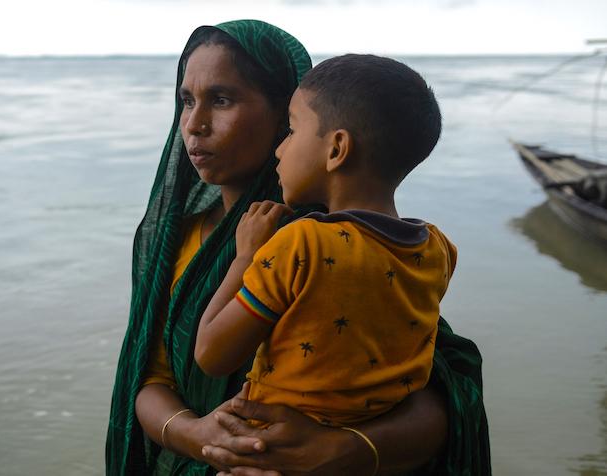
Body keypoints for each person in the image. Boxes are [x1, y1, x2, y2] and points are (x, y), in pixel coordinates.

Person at [106, 20, 491, 476]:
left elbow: (437, 383)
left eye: (222, 100)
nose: (194, 124)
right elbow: (149, 377)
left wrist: (342, 449)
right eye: (186, 101)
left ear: (281, 116)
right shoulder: (177, 240)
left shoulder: (331, 243)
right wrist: (200, 435)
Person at [195, 54, 457, 434]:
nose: (279, 150)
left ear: (336, 149)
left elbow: (211, 354)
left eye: (291, 130)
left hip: (268, 453)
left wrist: (246, 257)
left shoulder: (301, 245)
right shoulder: (438, 250)